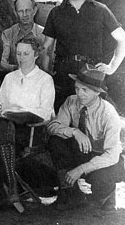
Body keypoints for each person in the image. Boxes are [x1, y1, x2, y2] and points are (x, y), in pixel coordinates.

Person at [0, 35, 55, 212]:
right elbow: (0, 106)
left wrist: (21, 113)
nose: (20, 58)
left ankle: (0, 193)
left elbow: (46, 112)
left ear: (36, 55)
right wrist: (2, 112)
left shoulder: (45, 80)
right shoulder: (9, 78)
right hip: (6, 129)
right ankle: (10, 189)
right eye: (18, 53)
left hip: (30, 133)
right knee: (2, 127)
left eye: (26, 53)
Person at [42, 0, 125, 112]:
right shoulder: (56, 13)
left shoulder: (100, 10)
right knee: (62, 118)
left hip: (92, 75)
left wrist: (112, 67)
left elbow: (122, 38)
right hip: (63, 75)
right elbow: (47, 47)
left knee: (93, 120)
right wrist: (47, 74)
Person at [47, 64, 124, 211]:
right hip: (83, 152)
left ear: (97, 92)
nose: (79, 93)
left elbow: (112, 155)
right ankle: (71, 193)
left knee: (101, 183)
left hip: (105, 160)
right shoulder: (71, 101)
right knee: (56, 141)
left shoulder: (108, 113)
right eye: (77, 88)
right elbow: (52, 127)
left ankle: (106, 195)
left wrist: (81, 169)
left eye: (85, 90)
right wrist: (74, 131)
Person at [0, 0, 45, 73]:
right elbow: (2, 62)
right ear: (15, 12)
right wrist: (18, 69)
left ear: (34, 10)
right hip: (15, 77)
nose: (25, 15)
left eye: (28, 10)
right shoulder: (7, 34)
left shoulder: (44, 34)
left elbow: (47, 63)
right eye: (21, 11)